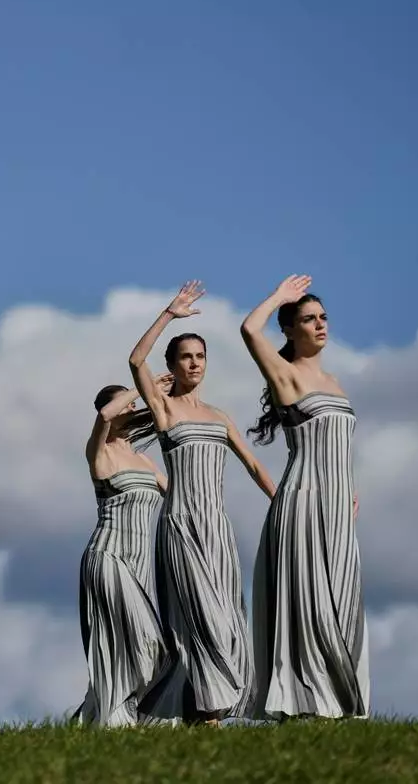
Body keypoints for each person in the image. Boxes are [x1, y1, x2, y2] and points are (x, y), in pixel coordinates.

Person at [127, 281, 276, 726]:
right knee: (200, 618)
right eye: (186, 357)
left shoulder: (218, 416)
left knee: (227, 618)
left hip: (217, 528)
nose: (194, 363)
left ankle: (197, 713)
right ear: (172, 365)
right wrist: (168, 314)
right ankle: (208, 715)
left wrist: (283, 502)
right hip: (181, 524)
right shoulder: (165, 410)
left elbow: (254, 465)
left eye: (200, 356)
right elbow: (135, 361)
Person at [241, 274, 369, 721]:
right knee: (310, 601)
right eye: (309, 318)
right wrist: (280, 296)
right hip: (304, 499)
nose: (320, 325)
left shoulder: (334, 381)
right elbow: (249, 330)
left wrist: (349, 486)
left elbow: (338, 442)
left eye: (323, 317)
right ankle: (308, 704)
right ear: (290, 329)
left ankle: (341, 701)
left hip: (337, 504)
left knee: (343, 598)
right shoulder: (286, 374)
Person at [73, 379, 171, 727]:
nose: (132, 410)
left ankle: (94, 717)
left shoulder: (143, 459)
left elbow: (175, 495)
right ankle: (117, 718)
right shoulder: (100, 452)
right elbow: (104, 415)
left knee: (134, 649)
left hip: (140, 566)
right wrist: (143, 387)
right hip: (109, 557)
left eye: (134, 406)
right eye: (127, 405)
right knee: (147, 643)